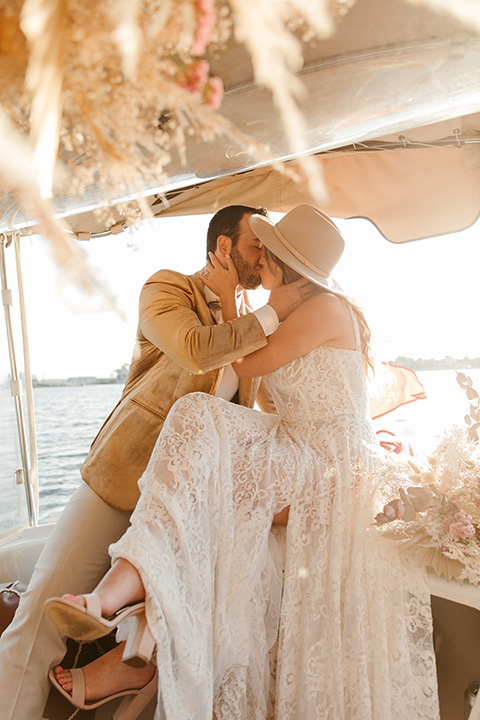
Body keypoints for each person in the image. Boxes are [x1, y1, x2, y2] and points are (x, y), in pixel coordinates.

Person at [45, 205, 440, 719]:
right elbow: (271, 398)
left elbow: (247, 364)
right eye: (255, 246)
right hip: (295, 451)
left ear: (283, 263)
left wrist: (232, 300)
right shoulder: (185, 291)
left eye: (266, 250)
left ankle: (131, 633)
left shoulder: (323, 309)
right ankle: (132, 634)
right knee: (210, 487)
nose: (259, 259)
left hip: (327, 462)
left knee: (201, 433)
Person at [0, 204, 313, 720]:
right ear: (222, 247)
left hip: (185, 506)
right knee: (40, 616)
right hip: (121, 480)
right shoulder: (167, 289)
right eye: (257, 246)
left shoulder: (246, 323)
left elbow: (238, 416)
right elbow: (194, 349)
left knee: (182, 633)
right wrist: (278, 308)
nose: (265, 257)